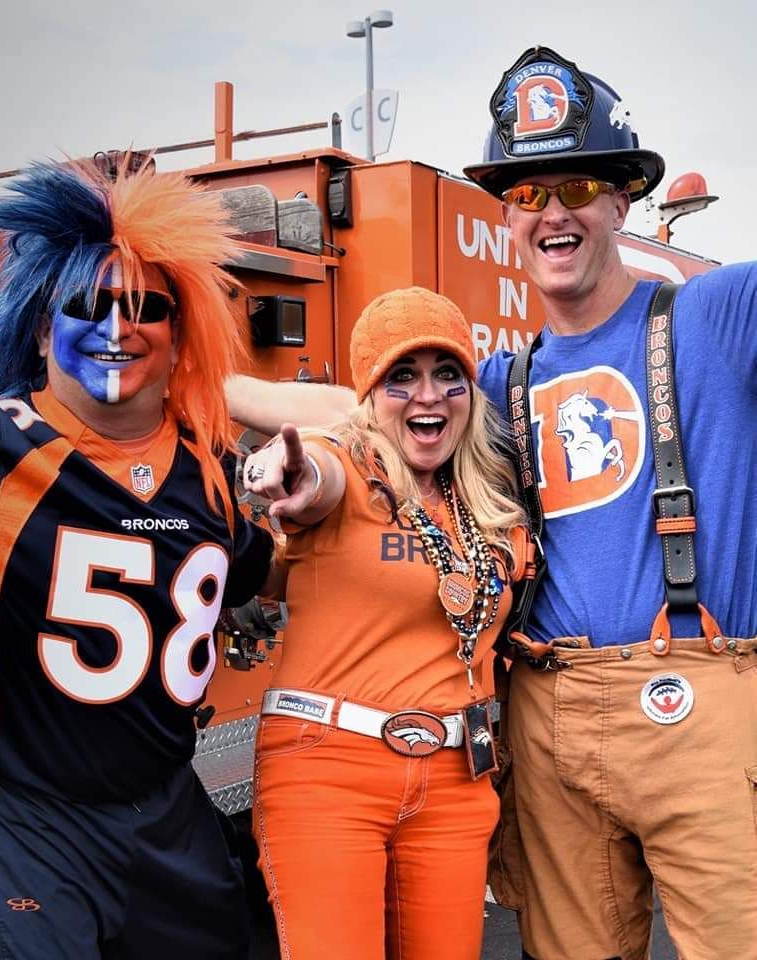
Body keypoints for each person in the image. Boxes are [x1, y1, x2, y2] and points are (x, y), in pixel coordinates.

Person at [231, 45, 757, 960]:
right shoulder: (497, 383)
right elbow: (358, 408)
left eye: (575, 185)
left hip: (697, 695)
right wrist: (193, 378)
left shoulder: (714, 313)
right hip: (541, 712)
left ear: (622, 200)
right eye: (524, 195)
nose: (550, 212)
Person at [0, 153, 276, 960]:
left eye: (146, 307)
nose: (117, 329)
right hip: (27, 815)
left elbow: (257, 568)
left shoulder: (209, 469)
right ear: (43, 324)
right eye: (87, 304)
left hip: (164, 809)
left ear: (181, 330)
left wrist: (319, 498)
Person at [240, 286, 527, 960]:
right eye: (401, 376)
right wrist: (289, 475)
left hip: (457, 782)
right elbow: (310, 474)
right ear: (369, 396)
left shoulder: (486, 498)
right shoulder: (349, 468)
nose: (427, 395)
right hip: (328, 773)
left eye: (445, 374)